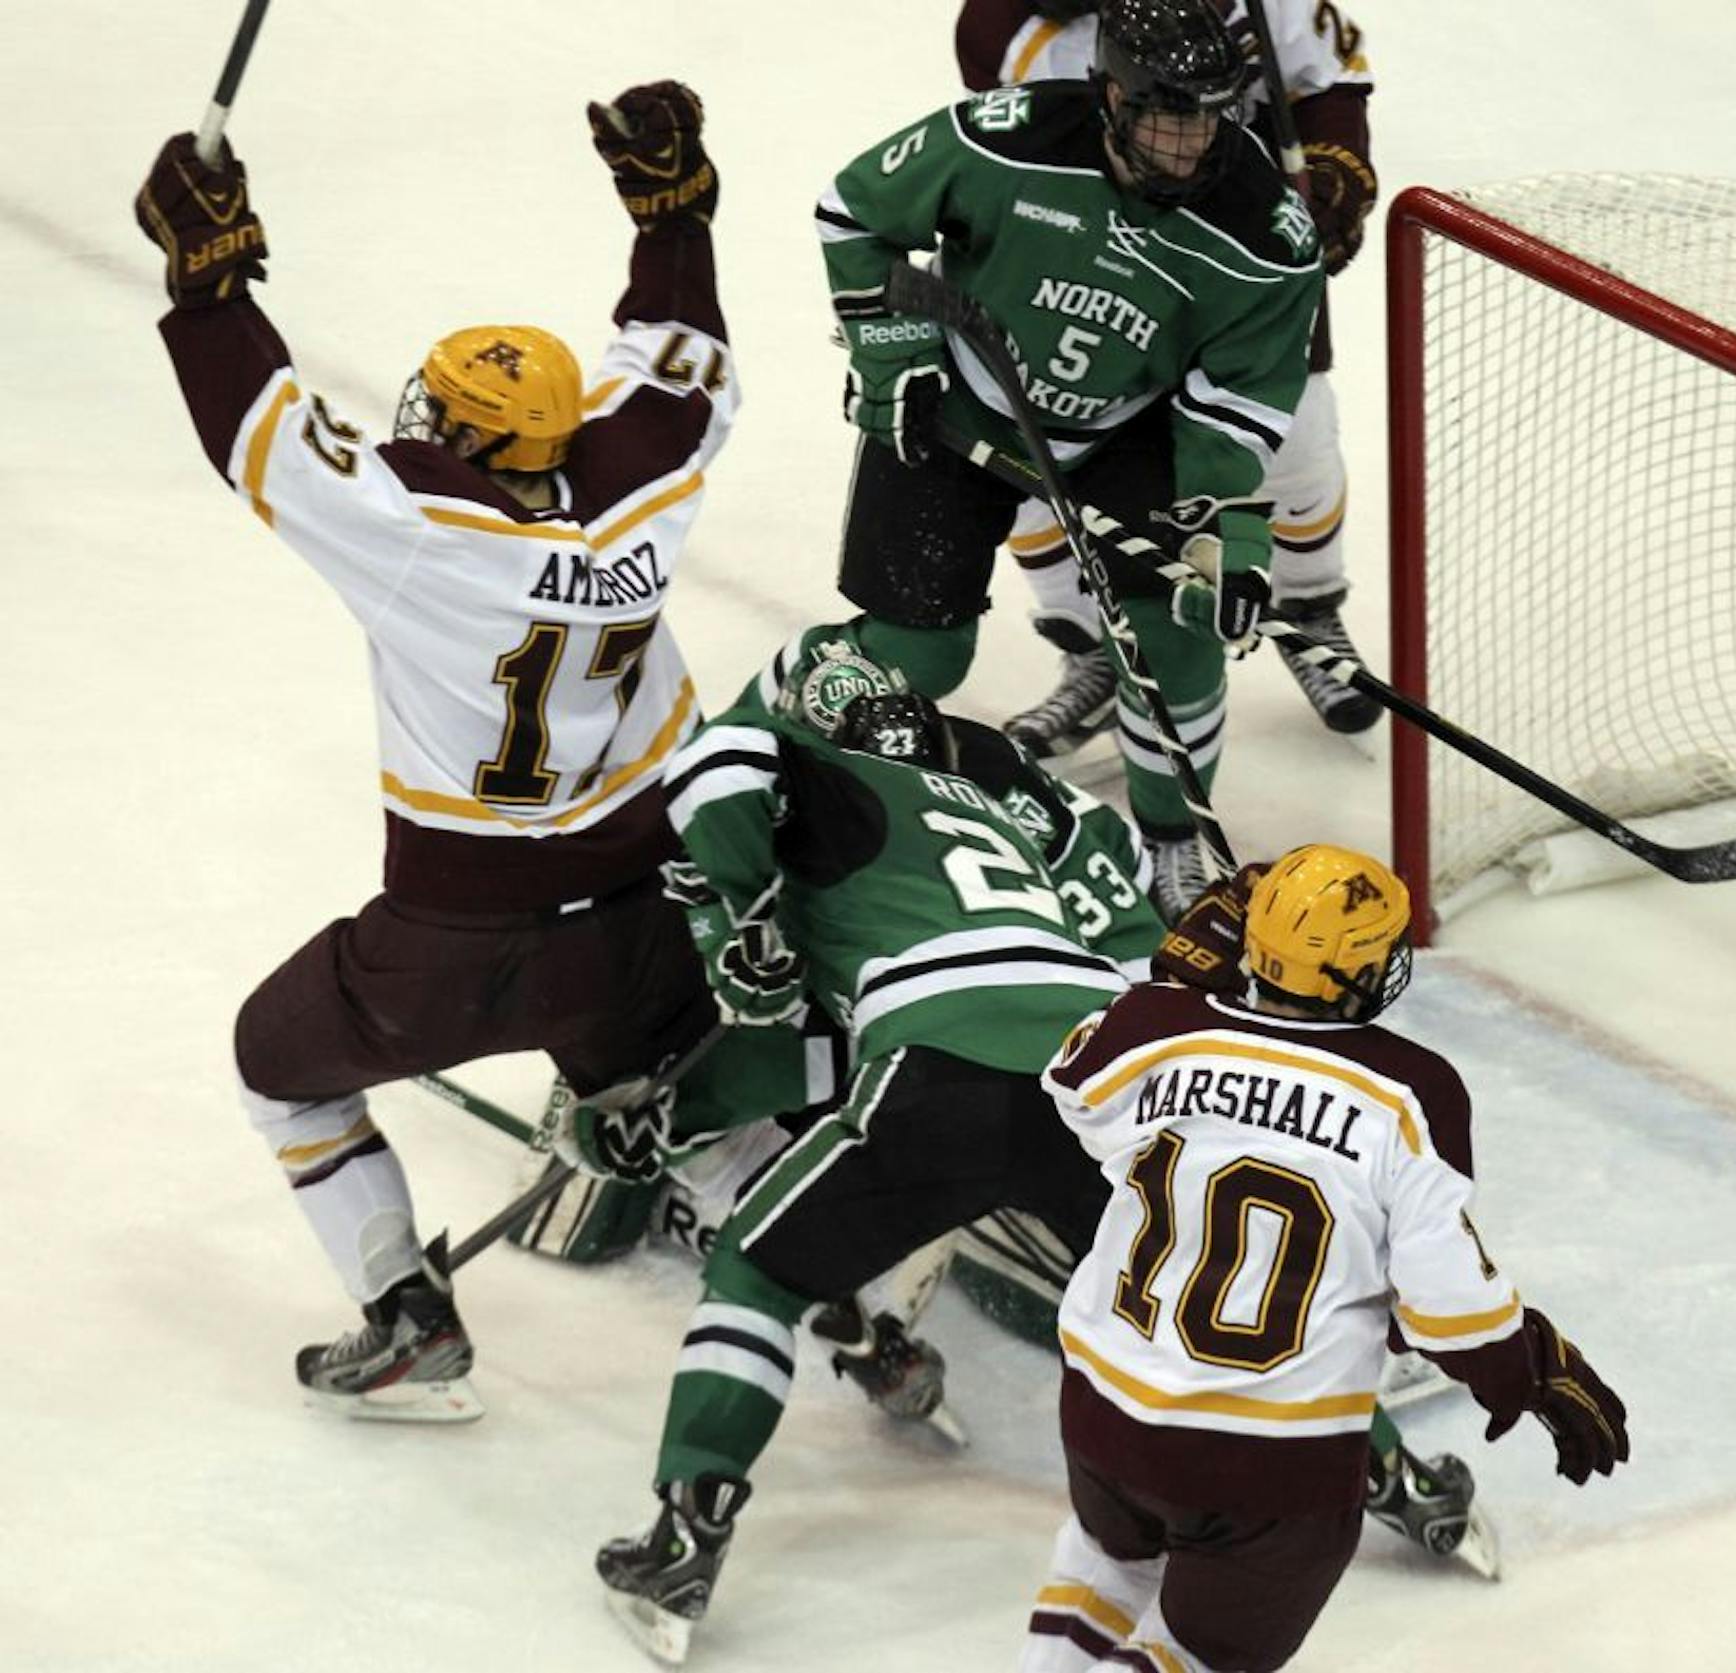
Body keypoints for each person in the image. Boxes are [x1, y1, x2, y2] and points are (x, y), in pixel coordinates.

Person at [135, 81, 739, 1419]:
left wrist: (209, 288)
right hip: (641, 922)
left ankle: (407, 1313)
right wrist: (671, 216)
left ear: (467, 435)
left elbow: (271, 442)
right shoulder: (639, 494)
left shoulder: (425, 533)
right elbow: (684, 360)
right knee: (683, 1102)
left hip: (457, 945)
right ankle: (852, 1310)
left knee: (271, 1065)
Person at [584, 682, 1133, 1664]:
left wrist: (739, 912)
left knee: (757, 1269)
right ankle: (1403, 1477)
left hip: (942, 1068)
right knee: (1205, 1293)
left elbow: (719, 766)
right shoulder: (1009, 812)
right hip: (1107, 1070)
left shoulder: (830, 782)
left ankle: (687, 1527)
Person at [1022, 845, 1629, 1671]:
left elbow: (1074, 1084)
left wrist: (1187, 971)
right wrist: (1527, 1366)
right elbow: (1445, 1306)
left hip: (1105, 1413)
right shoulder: (1413, 1091)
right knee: (1201, 1653)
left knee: (1105, 1558)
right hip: (1267, 1466)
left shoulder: (1153, 1028)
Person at [818, 0, 1325, 919]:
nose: (1188, 146)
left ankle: (1173, 838)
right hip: (964, 399)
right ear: (1110, 96)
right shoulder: (1006, 140)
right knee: (917, 654)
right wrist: (893, 353)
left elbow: (1240, 399)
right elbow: (854, 211)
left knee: (1179, 631)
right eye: (1165, 119)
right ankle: (800, 733)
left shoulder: (1264, 234)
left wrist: (1226, 530)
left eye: (1207, 120)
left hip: (1126, 428)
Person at [957, 0, 1384, 747]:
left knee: (1299, 432)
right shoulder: (1006, 27)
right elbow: (1008, 156)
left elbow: (1327, 80)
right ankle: (1094, 651)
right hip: (1086, 260)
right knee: (1031, 461)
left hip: (1240, 248)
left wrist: (1333, 173)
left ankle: (1308, 612)